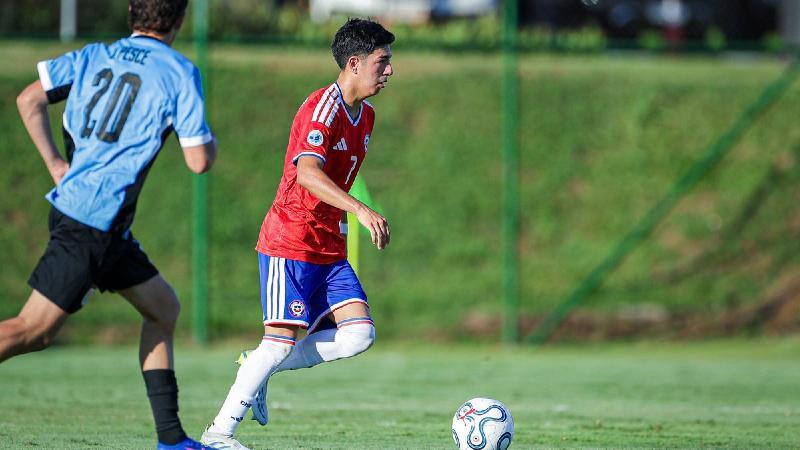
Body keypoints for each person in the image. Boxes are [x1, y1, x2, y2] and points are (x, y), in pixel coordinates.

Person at [2, 1, 217, 448]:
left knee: (163, 308)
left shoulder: (93, 55)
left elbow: (28, 99)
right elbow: (198, 160)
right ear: (179, 20)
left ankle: (172, 440)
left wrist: (56, 164)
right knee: (33, 331)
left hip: (98, 221)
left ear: (133, 14)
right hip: (91, 222)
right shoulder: (179, 71)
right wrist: (209, 142)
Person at [200, 18, 394, 450]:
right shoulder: (322, 108)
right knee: (278, 341)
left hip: (329, 247)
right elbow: (307, 172)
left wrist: (346, 218)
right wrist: (361, 210)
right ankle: (218, 434)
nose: (389, 71)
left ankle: (258, 369)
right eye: (382, 62)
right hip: (291, 241)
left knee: (359, 334)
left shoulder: (366, 116)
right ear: (354, 63)